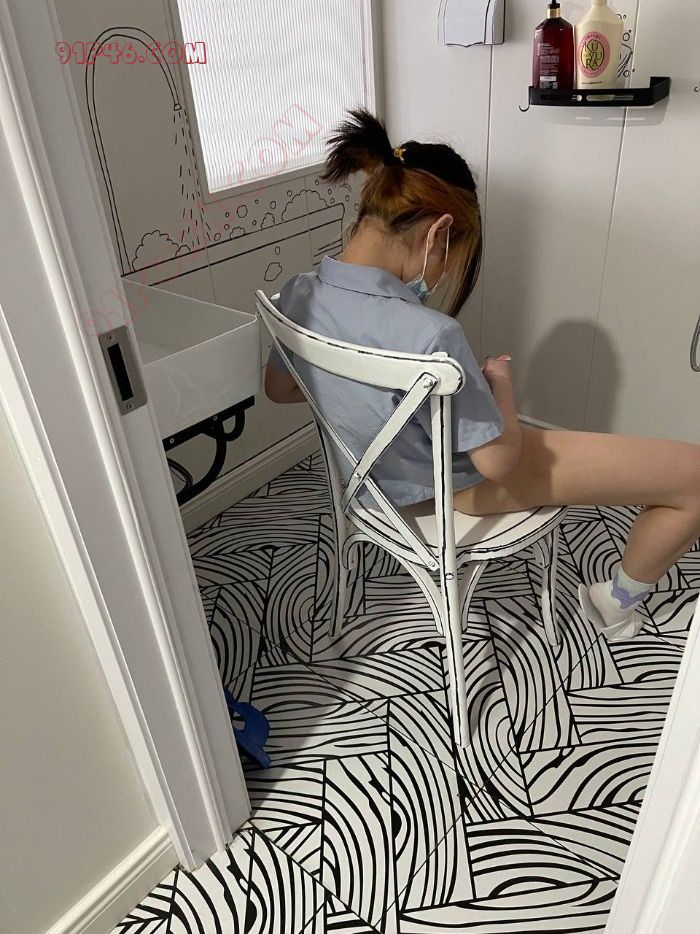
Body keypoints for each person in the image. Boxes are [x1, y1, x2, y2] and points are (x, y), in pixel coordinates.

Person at [265, 109, 700, 642]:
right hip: (458, 489)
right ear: (438, 232)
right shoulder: (431, 334)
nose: (443, 273)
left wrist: (353, 388)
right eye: (450, 257)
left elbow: (280, 389)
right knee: (693, 475)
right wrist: (501, 386)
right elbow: (497, 460)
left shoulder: (299, 295)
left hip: (373, 483)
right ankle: (617, 602)